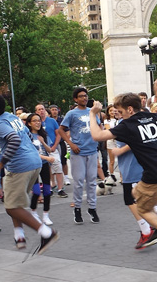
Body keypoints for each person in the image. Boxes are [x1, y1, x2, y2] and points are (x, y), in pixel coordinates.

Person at [89, 80, 157, 257]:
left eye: (120, 111)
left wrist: (93, 114)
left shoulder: (127, 125)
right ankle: (156, 224)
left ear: (130, 110)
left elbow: (97, 135)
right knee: (134, 195)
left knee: (142, 209)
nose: (119, 114)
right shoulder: (154, 116)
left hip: (156, 174)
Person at [0, 94, 58, 254]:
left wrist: (1, 163)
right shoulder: (11, 117)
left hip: (20, 167)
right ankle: (19, 236)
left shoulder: (0, 124)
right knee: (14, 202)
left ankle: (46, 233)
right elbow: (27, 134)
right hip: (34, 163)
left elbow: (14, 140)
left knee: (11, 208)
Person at [112, 138, 157, 250]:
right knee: (137, 199)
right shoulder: (134, 122)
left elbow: (136, 140)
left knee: (131, 200)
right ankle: (153, 226)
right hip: (136, 166)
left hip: (133, 167)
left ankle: (149, 230)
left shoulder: (129, 124)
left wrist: (121, 150)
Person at [58, 87, 101, 224]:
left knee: (92, 181)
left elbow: (99, 127)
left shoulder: (92, 112)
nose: (84, 98)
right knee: (78, 182)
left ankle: (92, 208)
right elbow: (61, 130)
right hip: (78, 152)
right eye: (81, 96)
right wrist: (71, 144)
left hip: (92, 150)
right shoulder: (71, 114)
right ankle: (77, 208)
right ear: (76, 99)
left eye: (86, 96)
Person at [26, 113, 55, 226]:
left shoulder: (43, 135)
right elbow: (32, 153)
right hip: (33, 166)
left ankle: (46, 215)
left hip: (44, 165)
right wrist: (47, 157)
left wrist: (43, 142)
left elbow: (50, 149)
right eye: (34, 121)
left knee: (47, 191)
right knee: (37, 191)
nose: (37, 123)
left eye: (39, 120)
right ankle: (33, 212)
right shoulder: (27, 136)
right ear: (29, 123)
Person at [35, 104, 66, 198]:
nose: (41, 111)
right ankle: (49, 187)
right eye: (39, 109)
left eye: (43, 109)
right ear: (36, 112)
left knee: (58, 166)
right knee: (47, 169)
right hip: (41, 149)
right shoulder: (36, 122)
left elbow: (58, 134)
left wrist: (55, 146)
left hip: (52, 148)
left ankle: (60, 189)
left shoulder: (51, 121)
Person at [104, 105, 118, 176]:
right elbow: (108, 130)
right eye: (111, 111)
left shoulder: (119, 119)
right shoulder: (106, 121)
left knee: (121, 160)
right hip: (111, 141)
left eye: (114, 110)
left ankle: (122, 178)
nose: (113, 112)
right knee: (112, 161)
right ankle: (111, 176)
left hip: (119, 141)